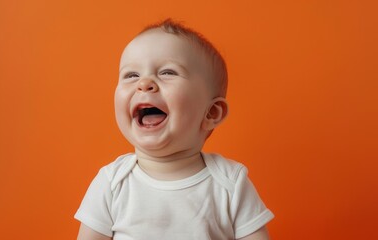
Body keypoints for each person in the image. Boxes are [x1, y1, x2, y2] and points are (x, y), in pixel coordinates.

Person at [75, 19, 274, 240]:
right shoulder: (112, 183)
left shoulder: (230, 183)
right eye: (132, 75)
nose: (145, 83)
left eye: (168, 72)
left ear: (211, 113)